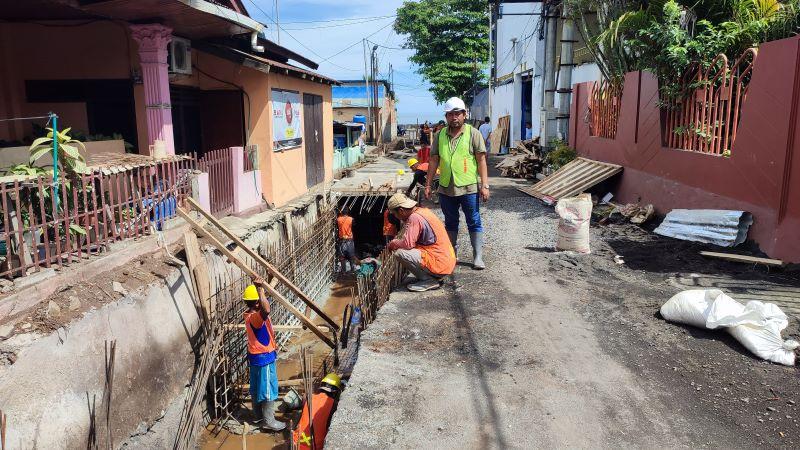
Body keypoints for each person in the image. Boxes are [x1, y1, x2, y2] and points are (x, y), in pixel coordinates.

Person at [425, 97, 489, 270]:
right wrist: (428, 185)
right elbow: (433, 160)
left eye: (457, 114)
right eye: (450, 114)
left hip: (469, 187)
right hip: (446, 187)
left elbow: (481, 160)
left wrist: (485, 185)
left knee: (473, 220)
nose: (454, 117)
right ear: (446, 116)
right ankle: (451, 255)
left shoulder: (473, 133)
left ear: (464, 115)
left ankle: (477, 257)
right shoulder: (439, 135)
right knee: (450, 222)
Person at [386, 193, 456, 291]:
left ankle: (428, 280)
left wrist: (393, 243)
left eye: (395, 214)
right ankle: (432, 276)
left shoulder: (414, 218)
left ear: (401, 211)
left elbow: (408, 244)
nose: (396, 217)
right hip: (446, 260)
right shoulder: (423, 211)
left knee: (400, 253)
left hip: (441, 263)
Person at [242, 282, 285, 431]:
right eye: (260, 299)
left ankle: (258, 417)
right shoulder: (255, 317)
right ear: (257, 303)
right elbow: (266, 309)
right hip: (263, 358)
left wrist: (262, 288)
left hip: (256, 357)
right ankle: (268, 421)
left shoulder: (250, 315)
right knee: (268, 389)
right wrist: (260, 289)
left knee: (256, 388)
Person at [292, 373, 343, 450]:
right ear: (335, 392)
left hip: (295, 443)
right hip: (316, 447)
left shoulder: (307, 397)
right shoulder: (335, 405)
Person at [337, 208, 358, 272]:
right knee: (351, 256)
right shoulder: (351, 219)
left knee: (342, 257)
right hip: (349, 240)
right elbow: (354, 225)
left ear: (341, 212)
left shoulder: (338, 219)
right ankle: (353, 270)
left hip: (341, 240)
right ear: (348, 212)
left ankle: (343, 272)